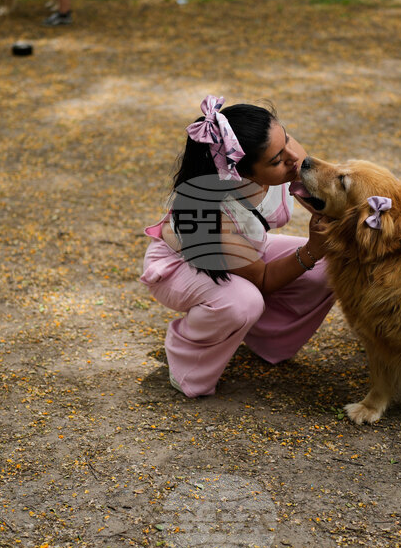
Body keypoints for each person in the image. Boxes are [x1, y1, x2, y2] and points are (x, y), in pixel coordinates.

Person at [139, 96, 335, 398]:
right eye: (276, 159)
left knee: (332, 265)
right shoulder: (208, 214)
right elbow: (263, 278)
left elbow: (327, 206)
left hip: (247, 248)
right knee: (243, 303)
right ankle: (188, 353)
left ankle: (266, 340)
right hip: (183, 267)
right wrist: (312, 249)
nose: (294, 157)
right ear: (238, 173)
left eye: (287, 139)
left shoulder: (282, 157)